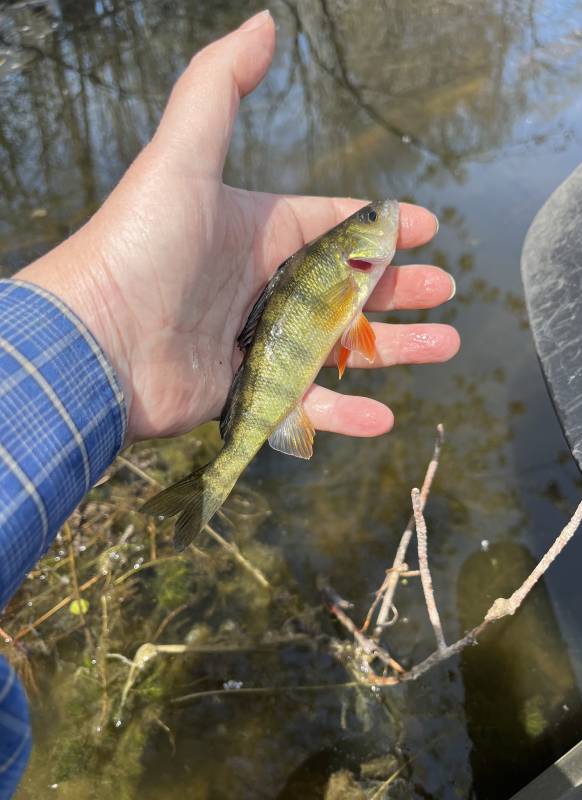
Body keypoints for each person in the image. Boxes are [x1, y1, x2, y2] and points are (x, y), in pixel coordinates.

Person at [0, 10, 459, 796]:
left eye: (375, 221)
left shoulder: (340, 271)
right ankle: (211, 482)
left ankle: (213, 478)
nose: (382, 223)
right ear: (360, 248)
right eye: (374, 223)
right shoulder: (343, 265)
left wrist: (105, 328)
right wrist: (110, 316)